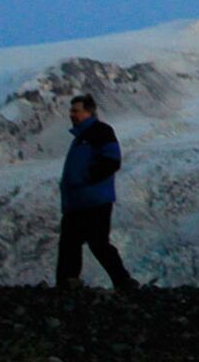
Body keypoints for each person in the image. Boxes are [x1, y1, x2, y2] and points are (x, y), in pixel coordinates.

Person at [58, 95, 138, 290]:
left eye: (75, 110)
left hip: (94, 200)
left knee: (97, 243)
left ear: (89, 112)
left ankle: (123, 281)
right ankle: (68, 282)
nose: (71, 114)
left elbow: (112, 160)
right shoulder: (80, 137)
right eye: (71, 111)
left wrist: (86, 179)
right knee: (70, 243)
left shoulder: (100, 132)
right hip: (78, 201)